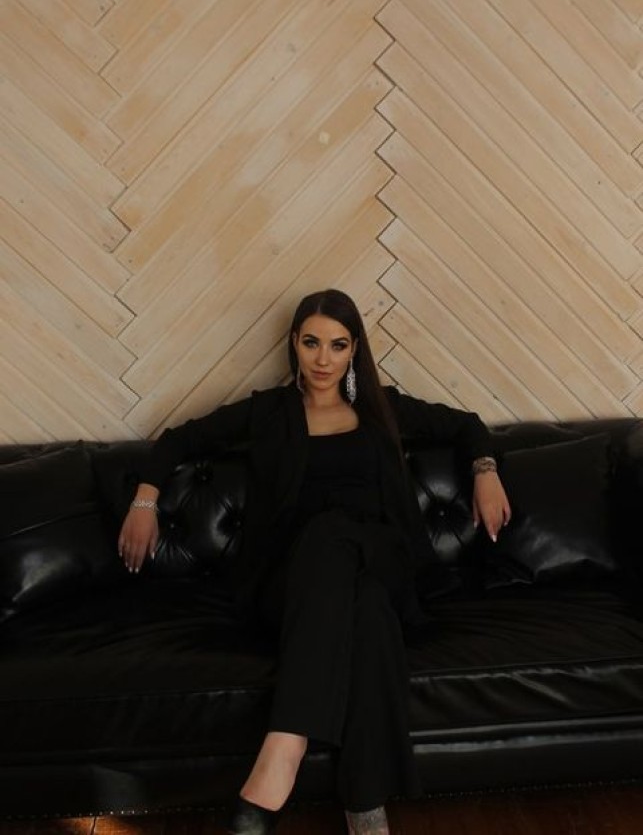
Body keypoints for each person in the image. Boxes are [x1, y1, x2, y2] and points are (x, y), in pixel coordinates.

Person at [118, 289, 511, 835]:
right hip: (296, 581)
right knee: (366, 609)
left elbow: (466, 425)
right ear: (294, 344)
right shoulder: (269, 412)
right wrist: (144, 501)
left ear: (355, 350)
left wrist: (486, 472)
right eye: (311, 343)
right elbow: (180, 438)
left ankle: (285, 746)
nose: (323, 359)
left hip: (383, 556)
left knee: (337, 535)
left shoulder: (381, 408)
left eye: (337, 345)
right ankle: (365, 804)